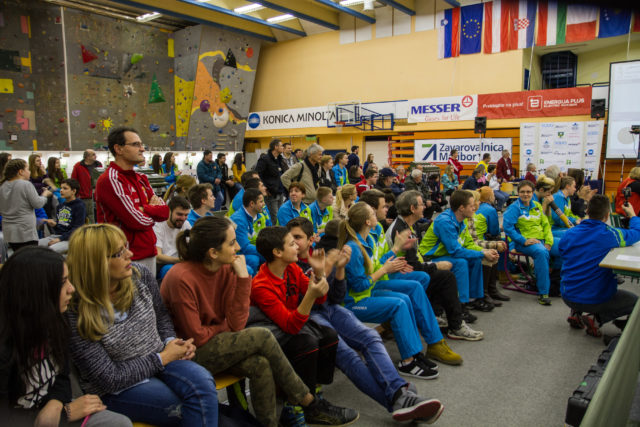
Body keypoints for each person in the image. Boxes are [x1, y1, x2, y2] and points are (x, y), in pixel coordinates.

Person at [161, 216, 319, 427]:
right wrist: (223, 327)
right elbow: (196, 337)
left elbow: (236, 324)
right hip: (187, 356)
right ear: (213, 252)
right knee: (262, 335)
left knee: (260, 364)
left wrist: (243, 278)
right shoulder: (181, 278)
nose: (238, 246)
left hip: (218, 343)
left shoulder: (228, 268)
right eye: (231, 242)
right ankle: (305, 398)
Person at [286, 217, 445, 423]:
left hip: (332, 308)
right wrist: (320, 273)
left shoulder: (323, 255)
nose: (293, 242)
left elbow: (336, 296)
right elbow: (299, 305)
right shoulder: (288, 264)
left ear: (311, 239)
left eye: (298, 237)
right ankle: (399, 399)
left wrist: (340, 270)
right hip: (310, 315)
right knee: (345, 353)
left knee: (370, 336)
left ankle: (399, 391)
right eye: (290, 238)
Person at [65, 224, 219, 426]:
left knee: (204, 384)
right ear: (96, 263)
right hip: (117, 387)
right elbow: (108, 378)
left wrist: (172, 343)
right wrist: (162, 357)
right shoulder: (75, 307)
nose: (130, 254)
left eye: (126, 246)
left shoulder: (140, 275)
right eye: (119, 253)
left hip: (160, 360)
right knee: (178, 406)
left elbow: (162, 318)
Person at [0, 247, 132, 427]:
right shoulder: (5, 348)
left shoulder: (55, 319)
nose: (72, 289)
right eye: (63, 282)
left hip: (53, 408)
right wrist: (65, 413)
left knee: (118, 423)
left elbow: (61, 373)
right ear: (36, 291)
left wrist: (56, 404)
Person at [250, 227, 360, 426]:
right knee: (307, 342)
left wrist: (319, 273)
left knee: (328, 335)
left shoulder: (291, 268)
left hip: (290, 326)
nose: (297, 247)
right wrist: (310, 293)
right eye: (291, 243)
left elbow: (321, 299)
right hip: (271, 337)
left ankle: (313, 394)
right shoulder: (261, 285)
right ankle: (298, 406)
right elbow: (291, 326)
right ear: (277, 252)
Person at [339, 201, 462, 370]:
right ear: (367, 221)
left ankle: (430, 345)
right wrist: (385, 269)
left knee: (412, 289)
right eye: (375, 212)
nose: (382, 211)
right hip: (356, 300)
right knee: (400, 302)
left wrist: (394, 255)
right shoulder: (353, 247)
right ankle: (409, 360)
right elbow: (360, 285)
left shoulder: (370, 236)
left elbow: (375, 264)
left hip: (369, 289)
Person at [560, 195, 640, 336]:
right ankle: (596, 319)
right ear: (607, 215)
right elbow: (637, 233)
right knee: (635, 302)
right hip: (595, 299)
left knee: (580, 270)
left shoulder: (569, 233)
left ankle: (576, 313)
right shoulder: (612, 235)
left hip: (567, 295)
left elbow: (562, 251)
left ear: (587, 211)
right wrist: (633, 215)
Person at [95, 127, 169, 277]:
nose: (142, 149)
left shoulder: (141, 178)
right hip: (125, 256)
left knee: (149, 297)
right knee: (132, 299)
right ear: (118, 149)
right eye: (136, 144)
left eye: (142, 144)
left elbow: (165, 213)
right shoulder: (111, 179)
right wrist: (152, 209)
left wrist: (143, 208)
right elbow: (137, 221)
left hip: (149, 250)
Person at [419, 190, 500, 311]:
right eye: (472, 205)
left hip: (446, 253)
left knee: (476, 259)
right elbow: (455, 251)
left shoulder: (462, 220)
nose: (475, 208)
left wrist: (485, 252)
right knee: (461, 262)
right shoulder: (445, 222)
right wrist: (482, 253)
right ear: (461, 208)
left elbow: (468, 244)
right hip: (429, 257)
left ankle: (474, 299)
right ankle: (460, 305)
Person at [503, 180, 558, 306]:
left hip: (542, 240)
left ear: (533, 193)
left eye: (528, 192)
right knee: (541, 252)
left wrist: (549, 241)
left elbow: (546, 225)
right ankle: (543, 292)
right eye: (522, 192)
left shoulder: (537, 206)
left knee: (566, 246)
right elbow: (508, 228)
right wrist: (524, 240)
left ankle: (557, 283)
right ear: (518, 193)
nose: (525, 194)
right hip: (525, 243)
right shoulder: (514, 208)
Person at [467, 189, 509, 306]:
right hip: (477, 243)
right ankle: (489, 290)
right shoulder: (490, 209)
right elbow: (494, 230)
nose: (478, 203)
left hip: (477, 241)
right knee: (498, 242)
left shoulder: (471, 215)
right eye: (476, 201)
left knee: (495, 245)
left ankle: (490, 290)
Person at [0, 159, 52, 251]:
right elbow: (38, 204)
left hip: (9, 232)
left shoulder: (3, 186)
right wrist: (45, 195)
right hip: (24, 232)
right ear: (21, 172)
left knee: (19, 257)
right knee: (29, 260)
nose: (30, 172)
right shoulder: (25, 184)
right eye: (28, 169)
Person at [39, 179, 86, 254]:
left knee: (51, 250)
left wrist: (60, 239)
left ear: (74, 191)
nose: (61, 190)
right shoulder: (60, 206)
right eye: (61, 188)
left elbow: (78, 228)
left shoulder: (79, 205)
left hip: (72, 238)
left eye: (65, 188)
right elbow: (60, 228)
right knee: (35, 245)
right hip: (59, 236)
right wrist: (54, 225)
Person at [229, 188, 268, 275]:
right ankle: (252, 285)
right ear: (252, 204)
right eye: (261, 202)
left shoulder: (260, 216)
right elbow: (244, 248)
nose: (264, 204)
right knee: (254, 259)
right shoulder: (238, 219)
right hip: (238, 253)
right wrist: (266, 250)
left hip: (254, 248)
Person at [154, 196, 191, 280]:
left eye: (186, 215)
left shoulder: (186, 224)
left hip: (180, 262)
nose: (183, 218)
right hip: (164, 265)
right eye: (179, 214)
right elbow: (158, 257)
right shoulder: (158, 225)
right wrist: (181, 260)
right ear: (169, 211)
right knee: (172, 270)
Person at [255, 139, 287, 222]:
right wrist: (264, 188)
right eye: (281, 146)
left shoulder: (280, 159)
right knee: (274, 218)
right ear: (275, 147)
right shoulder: (265, 159)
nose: (283, 147)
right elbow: (257, 175)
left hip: (280, 192)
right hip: (270, 193)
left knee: (281, 216)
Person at [71, 149, 102, 223]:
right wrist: (76, 194)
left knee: (98, 214)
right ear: (87, 156)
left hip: (97, 195)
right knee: (88, 215)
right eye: (93, 154)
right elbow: (74, 180)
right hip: (84, 196)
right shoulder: (78, 166)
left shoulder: (99, 165)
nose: (96, 156)